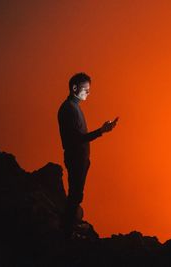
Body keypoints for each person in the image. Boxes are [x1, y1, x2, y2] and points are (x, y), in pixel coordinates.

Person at [58, 72, 118, 229]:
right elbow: (76, 139)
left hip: (80, 159)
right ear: (74, 88)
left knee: (76, 195)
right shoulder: (69, 109)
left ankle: (68, 229)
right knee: (75, 196)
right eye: (86, 89)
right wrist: (101, 131)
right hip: (76, 158)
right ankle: (66, 232)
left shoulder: (74, 107)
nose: (88, 93)